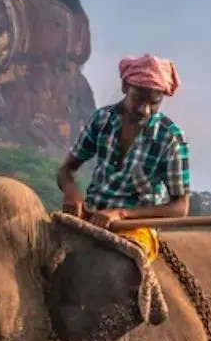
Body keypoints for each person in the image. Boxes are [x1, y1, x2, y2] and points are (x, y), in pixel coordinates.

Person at [56, 54, 192, 248]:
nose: (145, 110)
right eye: (139, 99)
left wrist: (122, 213)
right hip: (90, 215)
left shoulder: (171, 138)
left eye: (154, 103)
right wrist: (72, 193)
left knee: (116, 271)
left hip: (136, 227)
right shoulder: (101, 120)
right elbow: (66, 170)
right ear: (125, 87)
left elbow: (180, 207)